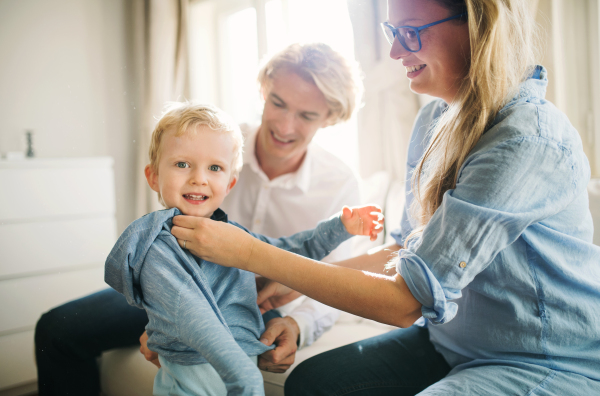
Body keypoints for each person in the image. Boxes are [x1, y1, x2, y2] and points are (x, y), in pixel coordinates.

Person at [168, 0, 600, 395]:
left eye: (410, 33)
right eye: (392, 31)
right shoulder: (436, 118)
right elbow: (407, 251)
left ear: (477, 29)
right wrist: (292, 279)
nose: (394, 53)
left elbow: (405, 301)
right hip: (451, 340)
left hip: (541, 358)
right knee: (312, 384)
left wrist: (253, 255)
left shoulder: (524, 141)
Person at [34, 42, 363, 395]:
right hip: (178, 279)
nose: (284, 125)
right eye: (277, 103)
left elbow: (334, 277)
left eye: (306, 115)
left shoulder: (339, 182)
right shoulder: (214, 143)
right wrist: (162, 318)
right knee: (56, 330)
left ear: (329, 117)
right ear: (264, 91)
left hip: (254, 302)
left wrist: (297, 324)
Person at [104, 102, 382, 395]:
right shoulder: (157, 248)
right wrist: (244, 378)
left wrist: (340, 226)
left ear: (230, 183)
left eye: (215, 168)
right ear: (154, 177)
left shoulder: (231, 236)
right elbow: (196, 320)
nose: (199, 178)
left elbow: (289, 251)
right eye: (182, 164)